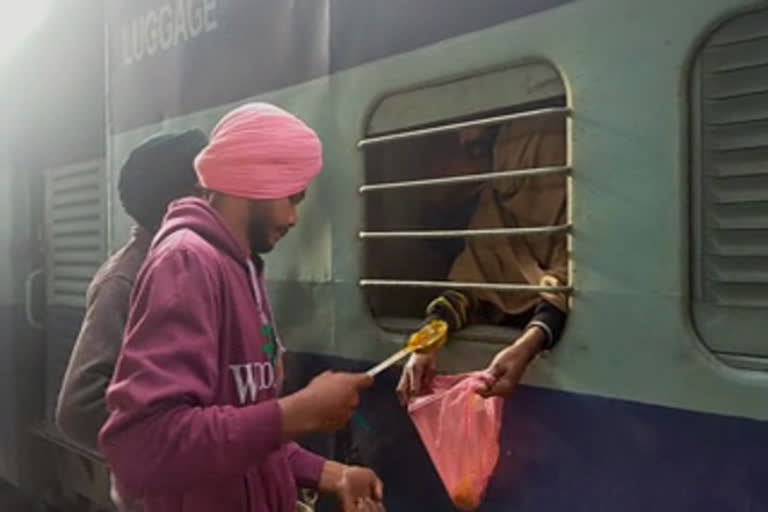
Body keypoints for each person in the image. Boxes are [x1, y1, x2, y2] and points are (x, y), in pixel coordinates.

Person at [99, 103, 385, 512]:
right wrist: (299, 412)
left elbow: (242, 427)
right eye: (292, 196)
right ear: (255, 180)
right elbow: (143, 443)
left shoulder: (241, 266)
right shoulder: (187, 263)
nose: (293, 217)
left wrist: (331, 473)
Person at [56, 129, 209, 510]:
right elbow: (79, 405)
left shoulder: (188, 265)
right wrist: (170, 443)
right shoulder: (126, 280)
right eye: (206, 190)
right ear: (179, 200)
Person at [397, 116, 568, 402]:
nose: (464, 142)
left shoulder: (578, 215)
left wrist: (526, 346)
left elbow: (568, 292)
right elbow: (468, 288)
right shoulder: (495, 206)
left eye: (483, 146)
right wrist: (427, 342)